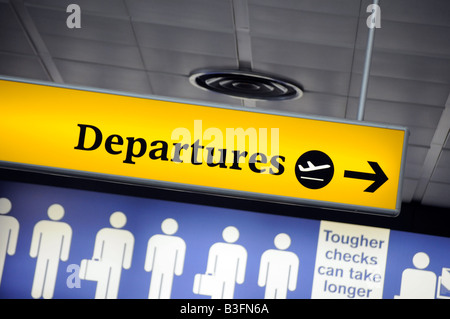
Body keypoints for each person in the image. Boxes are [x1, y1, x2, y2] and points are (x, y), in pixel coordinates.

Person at [30, 204, 72, 299]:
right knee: (40, 271)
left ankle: (47, 294)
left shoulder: (65, 228)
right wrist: (34, 251)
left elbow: (66, 242)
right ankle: (36, 292)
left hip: (54, 255)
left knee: (51, 272)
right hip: (43, 253)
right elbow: (36, 239)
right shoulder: (41, 225)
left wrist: (64, 255)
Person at [91, 211, 134, 299]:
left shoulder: (127, 235)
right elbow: (98, 248)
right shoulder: (103, 232)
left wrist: (126, 263)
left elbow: (128, 252)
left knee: (113, 285)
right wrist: (96, 258)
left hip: (117, 264)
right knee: (103, 285)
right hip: (104, 263)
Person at [144, 218, 186, 299]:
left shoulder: (179, 242)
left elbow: (179, 257)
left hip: (169, 270)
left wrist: (178, 270)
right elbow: (151, 253)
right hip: (158, 268)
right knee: (155, 286)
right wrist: (148, 266)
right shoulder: (155, 239)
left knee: (166, 288)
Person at [205, 226, 247, 299]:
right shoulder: (216, 247)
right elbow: (212, 261)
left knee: (228, 294)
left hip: (231, 277)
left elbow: (241, 265)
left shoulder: (240, 250)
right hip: (218, 275)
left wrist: (240, 278)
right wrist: (210, 272)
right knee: (216, 294)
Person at [258, 233, 299, 299]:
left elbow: (293, 272)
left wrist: (292, 285)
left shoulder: (292, 257)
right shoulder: (268, 253)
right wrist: (262, 281)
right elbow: (264, 268)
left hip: (283, 283)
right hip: (271, 282)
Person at [0, 198, 19, 287]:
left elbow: (13, 236)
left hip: (3, 250)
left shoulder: (13, 221)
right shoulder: (13, 221)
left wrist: (11, 249)